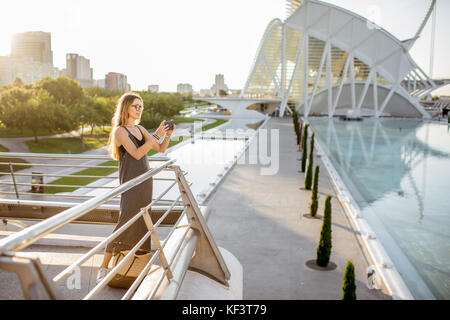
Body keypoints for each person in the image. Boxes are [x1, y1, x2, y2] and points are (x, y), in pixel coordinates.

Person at [96, 92, 175, 284]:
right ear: (126, 108)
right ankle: (103, 267)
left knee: (142, 222)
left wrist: (168, 135)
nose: (139, 109)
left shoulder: (140, 129)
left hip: (145, 183)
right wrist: (156, 134)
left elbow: (160, 149)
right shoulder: (120, 131)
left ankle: (136, 264)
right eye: (135, 106)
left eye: (141, 106)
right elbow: (138, 153)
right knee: (124, 223)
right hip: (131, 183)